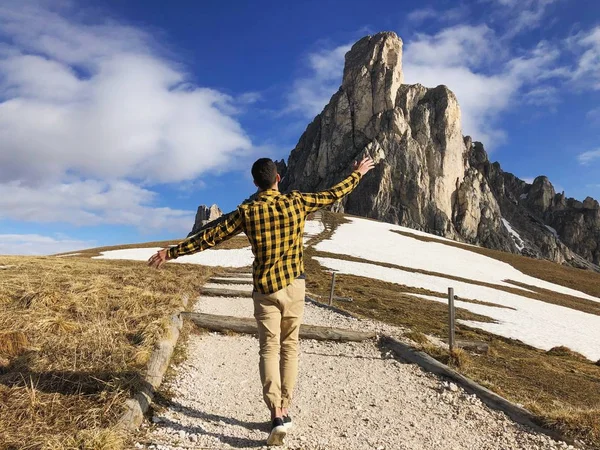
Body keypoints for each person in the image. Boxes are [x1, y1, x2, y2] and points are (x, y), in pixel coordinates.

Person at [148, 156, 375, 445]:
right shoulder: (296, 202)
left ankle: (276, 412)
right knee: (290, 345)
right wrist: (357, 173)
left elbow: (210, 236)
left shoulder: (247, 211)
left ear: (255, 183)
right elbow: (334, 194)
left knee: (269, 348)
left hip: (265, 289)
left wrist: (172, 252)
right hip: (295, 284)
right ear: (278, 178)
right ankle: (286, 406)